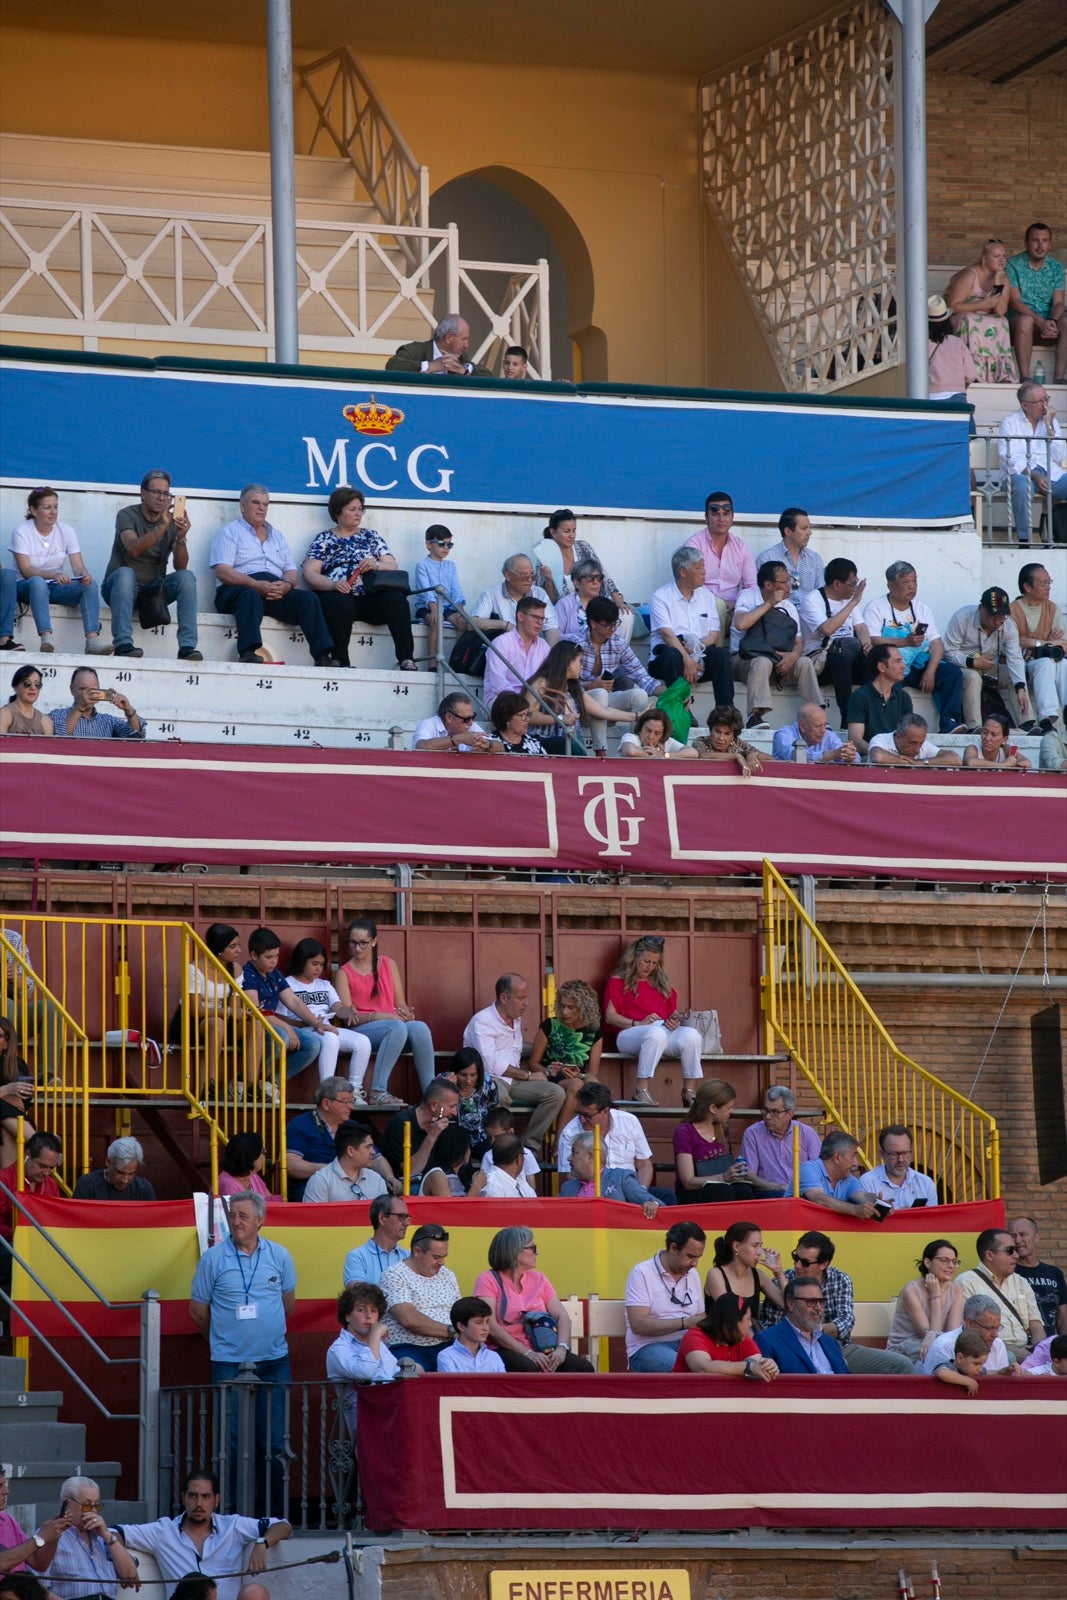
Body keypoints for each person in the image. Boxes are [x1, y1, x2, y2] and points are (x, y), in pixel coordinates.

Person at [188, 1191, 296, 1516]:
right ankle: (230, 1514)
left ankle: (274, 1516)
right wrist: (222, 1340)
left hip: (274, 1360)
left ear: (260, 1221)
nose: (236, 1221)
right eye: (233, 1215)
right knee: (230, 1445)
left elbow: (287, 1303)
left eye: (243, 1216)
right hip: (228, 1362)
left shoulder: (279, 1255)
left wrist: (267, 1329)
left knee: (274, 1443)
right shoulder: (213, 1259)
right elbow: (197, 1311)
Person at [113, 1469, 290, 1600]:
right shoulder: (163, 1531)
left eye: (206, 1497)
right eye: (193, 1496)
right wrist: (122, 1557)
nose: (199, 1503)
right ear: (183, 1498)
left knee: (255, 1592)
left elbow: (283, 1525)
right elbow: (116, 1531)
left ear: (216, 1500)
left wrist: (262, 1542)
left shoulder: (233, 1526)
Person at [210, 485, 336, 666]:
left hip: (274, 591)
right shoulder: (229, 532)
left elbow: (291, 572)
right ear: (242, 505)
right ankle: (248, 652)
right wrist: (254, 584)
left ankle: (323, 656)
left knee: (308, 599)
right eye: (256, 503)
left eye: (265, 504)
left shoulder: (277, 536)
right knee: (250, 595)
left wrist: (286, 586)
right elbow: (222, 571)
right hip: (237, 591)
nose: (261, 508)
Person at [301, 486, 415, 670]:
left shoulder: (371, 536)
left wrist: (375, 564)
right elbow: (310, 572)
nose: (358, 513)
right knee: (337, 602)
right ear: (338, 512)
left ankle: (406, 658)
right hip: (340, 595)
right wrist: (332, 584)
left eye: (360, 509)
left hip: (370, 596)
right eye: (352, 509)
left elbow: (392, 565)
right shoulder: (324, 539)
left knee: (397, 600)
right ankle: (341, 660)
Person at [335, 916, 436, 1105]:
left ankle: (431, 1094)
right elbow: (350, 1019)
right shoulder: (344, 973)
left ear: (374, 941)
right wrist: (378, 1016)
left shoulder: (388, 964)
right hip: (364, 1030)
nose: (357, 948)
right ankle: (377, 1091)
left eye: (363, 943)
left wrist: (406, 1012)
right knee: (396, 1027)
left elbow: (400, 1003)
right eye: (353, 943)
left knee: (420, 1027)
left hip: (394, 1026)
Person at [103, 468, 200, 660]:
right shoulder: (127, 515)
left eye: (165, 493)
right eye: (156, 492)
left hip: (152, 593)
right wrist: (162, 527)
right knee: (125, 574)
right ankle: (123, 644)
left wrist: (181, 537)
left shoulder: (172, 523)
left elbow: (180, 567)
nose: (161, 498)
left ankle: (187, 647)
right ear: (143, 493)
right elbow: (133, 548)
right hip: (118, 589)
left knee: (187, 578)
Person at [462, 975, 566, 1156]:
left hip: (514, 1080)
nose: (525, 1003)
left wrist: (547, 1055)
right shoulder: (482, 1021)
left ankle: (529, 1146)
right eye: (520, 998)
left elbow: (513, 1049)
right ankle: (501, 1150)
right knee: (500, 1095)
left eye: (526, 998)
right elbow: (490, 1063)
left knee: (556, 1093)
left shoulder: (515, 1019)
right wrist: (528, 1075)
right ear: (504, 998)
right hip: (490, 1078)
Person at [473, 1224, 593, 1372]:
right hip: (505, 1348)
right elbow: (490, 1325)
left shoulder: (539, 1279)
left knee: (582, 1368)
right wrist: (527, 1353)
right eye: (533, 1248)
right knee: (528, 1368)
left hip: (543, 1347)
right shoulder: (487, 1279)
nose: (538, 1253)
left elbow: (562, 1316)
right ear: (515, 1252)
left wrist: (561, 1348)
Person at [863, 562, 965, 733]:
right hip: (891, 666)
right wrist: (906, 642)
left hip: (918, 665)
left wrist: (931, 671)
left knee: (952, 674)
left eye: (914, 582)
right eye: (906, 582)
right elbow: (873, 640)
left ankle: (950, 723)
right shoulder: (876, 607)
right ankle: (895, 729)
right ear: (890, 585)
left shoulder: (921, 609)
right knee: (889, 684)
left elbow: (937, 644)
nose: (912, 587)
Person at [603, 935, 704, 1107]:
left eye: (655, 963)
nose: (650, 966)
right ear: (634, 958)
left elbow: (670, 1014)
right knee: (656, 1032)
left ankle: (689, 1092)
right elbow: (610, 1017)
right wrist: (639, 1023)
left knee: (692, 1035)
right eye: (646, 961)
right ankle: (641, 1090)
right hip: (629, 1033)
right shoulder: (618, 982)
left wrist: (675, 1020)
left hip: (661, 1032)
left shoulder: (663, 985)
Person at [9, 487, 111, 656]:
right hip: (26, 586)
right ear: (33, 510)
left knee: (89, 585)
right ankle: (46, 639)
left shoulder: (67, 531)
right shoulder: (22, 531)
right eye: (47, 507)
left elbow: (78, 565)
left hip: (55, 586)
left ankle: (92, 641)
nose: (53, 512)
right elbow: (26, 571)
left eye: (55, 506)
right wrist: (53, 575)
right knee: (37, 582)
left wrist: (83, 574)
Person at [731, 559, 821, 730]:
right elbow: (741, 624)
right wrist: (769, 604)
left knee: (804, 662)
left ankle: (817, 714)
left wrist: (793, 656)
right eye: (785, 582)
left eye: (790, 581)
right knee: (762, 661)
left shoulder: (789, 606)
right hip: (744, 660)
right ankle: (755, 716)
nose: (790, 586)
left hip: (779, 663)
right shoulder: (748, 596)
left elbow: (799, 641)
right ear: (769, 584)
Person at [555, 1081, 673, 1205]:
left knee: (666, 1196)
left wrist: (639, 1192)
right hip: (592, 1194)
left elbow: (644, 1165)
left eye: (587, 1115)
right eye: (578, 1113)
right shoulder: (569, 1132)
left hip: (629, 1188)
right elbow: (569, 1175)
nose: (582, 1120)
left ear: (605, 1111)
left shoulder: (629, 1121)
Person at [281, 938, 372, 1094]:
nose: (319, 969)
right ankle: (327, 1091)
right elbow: (280, 1017)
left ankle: (355, 1091)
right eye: (314, 964)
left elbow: (337, 1007)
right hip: (303, 1029)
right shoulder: (287, 984)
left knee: (362, 1042)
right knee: (330, 1037)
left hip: (326, 1027)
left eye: (322, 965)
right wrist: (306, 1023)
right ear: (302, 961)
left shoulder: (324, 984)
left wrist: (348, 1011)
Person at [648, 546, 734, 707]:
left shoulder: (707, 596)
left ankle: (725, 712)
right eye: (698, 567)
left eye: (703, 566)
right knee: (672, 654)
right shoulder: (661, 597)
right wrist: (686, 659)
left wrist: (694, 650)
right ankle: (682, 710)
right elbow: (667, 635)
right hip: (667, 660)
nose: (703, 572)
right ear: (682, 572)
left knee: (721, 655)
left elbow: (713, 635)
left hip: (698, 654)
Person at [241, 928, 328, 1085]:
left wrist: (316, 1023)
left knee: (313, 1045)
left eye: (276, 956)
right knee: (282, 1037)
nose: (274, 961)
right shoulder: (247, 974)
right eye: (269, 957)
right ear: (254, 955)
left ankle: (272, 1083)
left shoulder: (274, 974)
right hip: (256, 1026)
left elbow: (293, 1001)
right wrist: (287, 1027)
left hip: (274, 1025)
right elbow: (256, 1011)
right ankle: (249, 1077)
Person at [574, 597, 660, 749]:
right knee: (600, 693)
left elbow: (640, 675)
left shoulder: (618, 643)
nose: (613, 629)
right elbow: (564, 684)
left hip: (605, 706)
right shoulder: (574, 643)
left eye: (615, 624)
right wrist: (590, 686)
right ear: (593, 623)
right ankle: (601, 751)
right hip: (578, 707)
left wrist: (672, 693)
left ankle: (636, 748)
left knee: (639, 694)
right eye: (608, 625)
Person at [943, 585, 1031, 731]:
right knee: (973, 677)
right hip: (963, 666)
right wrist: (971, 661)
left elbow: (1015, 658)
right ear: (980, 608)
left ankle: (1027, 723)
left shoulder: (1008, 626)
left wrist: (1020, 687)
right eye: (993, 616)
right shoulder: (962, 618)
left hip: (989, 667)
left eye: (1002, 617)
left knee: (1015, 677)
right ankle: (975, 726)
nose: (998, 622)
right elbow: (948, 651)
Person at [623, 1221, 707, 1372]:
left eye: (698, 1257)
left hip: (689, 1344)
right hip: (647, 1348)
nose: (695, 1263)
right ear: (673, 1248)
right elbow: (639, 1324)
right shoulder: (641, 1272)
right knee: (688, 1369)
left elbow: (700, 1317)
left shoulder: (692, 1274)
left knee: (721, 1366)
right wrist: (685, 1322)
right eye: (690, 1256)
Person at [37, 1475, 140, 1599]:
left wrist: (107, 1535)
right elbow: (38, 1589)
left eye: (96, 1505)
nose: (93, 1511)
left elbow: (129, 1575)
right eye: (86, 1505)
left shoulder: (103, 1537)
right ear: (67, 1504)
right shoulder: (50, 1535)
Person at [530, 511, 632, 631]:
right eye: (566, 531)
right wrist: (548, 579)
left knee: (626, 616)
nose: (572, 535)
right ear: (553, 532)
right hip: (565, 610)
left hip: (593, 603)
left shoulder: (583, 547)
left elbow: (603, 573)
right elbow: (549, 601)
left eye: (574, 530)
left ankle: (615, 649)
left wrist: (618, 600)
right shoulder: (545, 556)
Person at [797, 558, 871, 726]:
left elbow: (861, 628)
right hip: (820, 659)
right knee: (841, 657)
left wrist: (867, 644)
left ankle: (869, 717)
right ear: (837, 584)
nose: (855, 588)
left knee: (874, 660)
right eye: (853, 584)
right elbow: (827, 629)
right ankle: (847, 717)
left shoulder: (848, 598)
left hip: (849, 655)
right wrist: (853, 603)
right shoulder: (813, 600)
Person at [379, 1222, 460, 1370]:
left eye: (444, 1256)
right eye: (436, 1257)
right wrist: (453, 1331)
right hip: (409, 1347)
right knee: (415, 1371)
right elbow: (409, 1320)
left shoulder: (448, 1275)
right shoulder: (394, 1275)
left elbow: (459, 1313)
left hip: (450, 1346)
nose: (442, 1262)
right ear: (417, 1251)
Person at [956, 1228, 1045, 1360]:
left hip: (1027, 1351)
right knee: (1009, 1357)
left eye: (1015, 1250)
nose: (1016, 1255)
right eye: (1010, 1250)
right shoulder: (966, 1282)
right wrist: (1011, 1350)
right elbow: (968, 1332)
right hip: (989, 1352)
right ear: (990, 1255)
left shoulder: (1021, 1282)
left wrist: (1039, 1351)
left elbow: (1036, 1325)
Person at [998, 382, 1066, 545]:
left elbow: (1059, 455)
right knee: (1022, 485)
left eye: (1046, 399)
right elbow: (1009, 458)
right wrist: (1035, 476)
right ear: (1025, 405)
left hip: (1050, 474)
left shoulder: (1051, 422)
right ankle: (1024, 539)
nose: (1045, 406)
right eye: (1039, 402)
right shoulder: (1010, 423)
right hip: (1020, 476)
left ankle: (1061, 536)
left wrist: (1050, 426)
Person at [529, 978, 603, 1126]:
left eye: (571, 1007)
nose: (565, 1012)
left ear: (583, 1007)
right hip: (549, 1078)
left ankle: (599, 1136)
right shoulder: (550, 1025)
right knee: (576, 1085)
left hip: (577, 1079)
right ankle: (559, 1146)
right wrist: (549, 1071)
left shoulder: (594, 1032)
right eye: (562, 1006)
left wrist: (580, 1075)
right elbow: (533, 1063)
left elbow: (592, 1073)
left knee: (591, 1085)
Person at [326, 1283, 399, 1432]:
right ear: (347, 1316)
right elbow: (365, 1372)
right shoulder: (338, 1349)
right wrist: (375, 1336)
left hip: (391, 1416)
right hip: (366, 1426)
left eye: (374, 1311)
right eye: (361, 1310)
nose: (369, 1316)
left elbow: (396, 1375)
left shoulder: (380, 1345)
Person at [285, 1078, 370, 1202]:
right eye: (345, 1102)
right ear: (326, 1104)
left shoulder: (353, 1126)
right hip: (311, 1184)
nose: (351, 1107)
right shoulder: (300, 1124)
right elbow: (291, 1165)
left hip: (353, 1182)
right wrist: (332, 1171)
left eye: (352, 1101)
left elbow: (375, 1157)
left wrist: (390, 1178)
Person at [673, 1079, 757, 1205]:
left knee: (744, 1191)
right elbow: (688, 1181)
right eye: (728, 1107)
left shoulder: (722, 1127)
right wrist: (724, 1177)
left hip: (722, 1183)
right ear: (713, 1108)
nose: (731, 1111)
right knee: (722, 1192)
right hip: (693, 1191)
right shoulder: (685, 1132)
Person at [946, 237, 1017, 382]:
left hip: (985, 320)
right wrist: (980, 305)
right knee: (970, 319)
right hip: (962, 317)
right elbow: (952, 306)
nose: (1002, 260)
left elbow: (1000, 311)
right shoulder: (969, 275)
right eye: (996, 256)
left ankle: (1001, 375)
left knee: (1002, 321)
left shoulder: (1003, 278)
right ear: (984, 258)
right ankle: (971, 372)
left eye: (1004, 256)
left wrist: (998, 283)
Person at [683, 491, 757, 629]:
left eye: (726, 514)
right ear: (706, 517)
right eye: (715, 514)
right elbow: (693, 584)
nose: (721, 519)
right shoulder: (694, 545)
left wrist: (740, 604)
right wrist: (723, 603)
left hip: (735, 609)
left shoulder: (741, 546)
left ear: (732, 517)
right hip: (701, 608)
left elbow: (751, 585)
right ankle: (716, 651)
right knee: (717, 606)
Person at [1006, 221, 1066, 386]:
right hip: (1020, 322)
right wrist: (1040, 321)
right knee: (1026, 321)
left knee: (1066, 322)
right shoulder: (1013, 264)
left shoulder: (1056, 267)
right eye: (1035, 240)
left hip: (1048, 325)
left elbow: (1059, 302)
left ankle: (1059, 378)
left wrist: (1052, 321)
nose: (1040, 245)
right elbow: (1015, 301)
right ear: (1026, 243)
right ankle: (1025, 377)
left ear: (1050, 244)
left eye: (1045, 241)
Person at [1010, 562, 1066, 735]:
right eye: (1043, 583)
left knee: (1063, 664)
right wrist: (1046, 643)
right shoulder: (1013, 611)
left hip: (1044, 663)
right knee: (1045, 663)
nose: (1048, 587)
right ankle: (1047, 718)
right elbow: (1014, 644)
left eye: (1049, 582)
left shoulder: (1052, 608)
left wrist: (1036, 643)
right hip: (1021, 665)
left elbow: (1064, 644)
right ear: (1027, 587)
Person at [888, 1238, 964, 1366]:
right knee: (937, 1351)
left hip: (936, 1346)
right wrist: (935, 1296)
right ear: (928, 1262)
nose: (951, 1266)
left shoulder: (956, 1290)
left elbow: (951, 1335)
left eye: (954, 1262)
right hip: (905, 1349)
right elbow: (929, 1334)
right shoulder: (911, 1290)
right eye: (945, 1260)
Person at [755, 1275, 849, 1375]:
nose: (818, 1308)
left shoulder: (831, 1343)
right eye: (811, 1302)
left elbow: (847, 1380)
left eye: (821, 1302)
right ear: (790, 1304)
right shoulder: (767, 1340)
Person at [673, 1293, 780, 1380]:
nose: (750, 1324)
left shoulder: (742, 1338)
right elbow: (702, 1367)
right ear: (733, 1322)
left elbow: (755, 1364)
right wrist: (748, 1367)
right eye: (747, 1319)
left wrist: (767, 1366)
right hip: (683, 1401)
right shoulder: (695, 1336)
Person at [558, 1131, 663, 1218]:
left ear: (590, 1157)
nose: (569, 1158)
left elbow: (654, 1203)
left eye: (574, 1152)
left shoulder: (620, 1178)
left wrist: (653, 1204)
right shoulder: (567, 1187)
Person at [739, 1086, 821, 1197]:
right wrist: (779, 1188)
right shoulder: (752, 1133)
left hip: (804, 1193)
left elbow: (819, 1172)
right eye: (766, 1110)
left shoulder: (807, 1133)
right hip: (769, 1193)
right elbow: (749, 1176)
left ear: (789, 1114)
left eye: (775, 1112)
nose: (768, 1116)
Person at [379, 1075, 460, 1187]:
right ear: (434, 1105)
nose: (455, 1112)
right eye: (452, 1106)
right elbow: (410, 1172)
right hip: (401, 1189)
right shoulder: (401, 1123)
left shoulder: (444, 1122)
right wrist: (432, 1136)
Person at [702, 1220, 786, 1325]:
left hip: (751, 1338)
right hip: (722, 1339)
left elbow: (788, 1305)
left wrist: (778, 1273)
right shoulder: (716, 1274)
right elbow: (731, 1317)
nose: (760, 1252)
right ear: (736, 1246)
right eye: (755, 1246)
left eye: (760, 1246)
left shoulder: (758, 1275)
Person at [470, 554, 560, 646]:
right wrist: (504, 625)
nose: (529, 580)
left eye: (532, 576)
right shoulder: (491, 594)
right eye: (524, 576)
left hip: (536, 651)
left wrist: (550, 655)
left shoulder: (539, 593)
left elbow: (551, 627)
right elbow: (471, 622)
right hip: (506, 650)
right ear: (508, 575)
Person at [481, 594, 552, 707]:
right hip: (501, 699)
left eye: (542, 619)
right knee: (512, 707)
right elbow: (498, 682)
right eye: (535, 617)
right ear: (521, 616)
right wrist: (521, 702)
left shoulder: (544, 646)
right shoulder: (501, 643)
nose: (540, 623)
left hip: (532, 700)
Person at [918, 1294, 1014, 1376]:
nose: (995, 1335)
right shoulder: (943, 1347)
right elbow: (937, 1387)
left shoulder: (998, 1344)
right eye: (989, 1328)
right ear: (970, 1323)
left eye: (997, 1328)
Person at [845, 643, 914, 758]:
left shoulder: (904, 698)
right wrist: (882, 756)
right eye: (897, 661)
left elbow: (908, 736)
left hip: (898, 762)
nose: (903, 666)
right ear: (881, 667)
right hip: (870, 763)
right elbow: (855, 740)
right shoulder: (860, 696)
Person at [526, 640, 594, 754]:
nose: (582, 666)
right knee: (567, 745)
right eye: (580, 661)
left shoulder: (572, 686)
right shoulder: (542, 682)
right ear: (568, 663)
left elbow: (604, 711)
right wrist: (560, 719)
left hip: (567, 739)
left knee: (577, 746)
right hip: (543, 741)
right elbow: (529, 715)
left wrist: (634, 717)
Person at [793, 1130, 879, 1218]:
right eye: (853, 1156)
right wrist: (855, 1210)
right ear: (837, 1157)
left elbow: (861, 1197)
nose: (855, 1163)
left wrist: (878, 1203)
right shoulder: (809, 1168)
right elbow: (818, 1198)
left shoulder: (848, 1178)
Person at [0, 1469, 67, 1577]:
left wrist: (54, 1534)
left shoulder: (7, 1520)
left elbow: (39, 1564)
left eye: (5, 1484)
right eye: (0, 1486)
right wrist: (40, 1538)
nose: (6, 1491)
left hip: (23, 1592)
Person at [0, 1132, 62, 1248]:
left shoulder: (51, 1185)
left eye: (51, 1168)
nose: (46, 1173)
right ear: (27, 1155)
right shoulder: (4, 1180)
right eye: (42, 1166)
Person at [1009, 1215, 1067, 1338]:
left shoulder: (1054, 1273)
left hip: (1049, 1348)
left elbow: (1062, 1319)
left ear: (1037, 1238)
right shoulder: (1008, 1272)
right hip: (1019, 1345)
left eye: (1023, 1234)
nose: (1018, 1240)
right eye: (1013, 1236)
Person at [302, 1120, 388, 1203]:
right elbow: (313, 1216)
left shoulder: (376, 1179)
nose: (373, 1152)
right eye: (367, 1147)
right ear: (350, 1151)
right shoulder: (321, 1181)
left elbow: (385, 1215)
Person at [856, 1123, 938, 1210]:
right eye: (894, 1154)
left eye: (905, 1153)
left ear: (911, 1152)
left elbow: (933, 1220)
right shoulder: (867, 1183)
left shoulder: (925, 1183)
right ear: (882, 1154)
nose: (901, 1159)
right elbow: (865, 1221)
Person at [49, 666, 144, 739]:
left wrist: (129, 710)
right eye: (83, 688)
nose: (89, 693)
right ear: (72, 689)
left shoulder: (109, 721)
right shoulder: (57, 715)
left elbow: (136, 737)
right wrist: (79, 708)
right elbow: (58, 739)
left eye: (94, 689)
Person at [385, 313, 491, 376]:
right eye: (463, 339)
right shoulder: (418, 349)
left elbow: (488, 376)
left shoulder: (461, 358)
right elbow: (392, 365)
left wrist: (464, 370)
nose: (466, 345)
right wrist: (430, 366)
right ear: (449, 338)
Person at [342, 1194, 411, 1287]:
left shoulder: (410, 1256)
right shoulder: (357, 1257)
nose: (407, 1223)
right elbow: (358, 1296)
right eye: (401, 1216)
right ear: (382, 1218)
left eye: (407, 1217)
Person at [412, 524, 465, 643]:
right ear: (429, 544)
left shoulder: (451, 565)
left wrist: (460, 610)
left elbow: (456, 590)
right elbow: (427, 591)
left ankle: (456, 659)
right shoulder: (422, 565)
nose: (446, 548)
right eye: (441, 543)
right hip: (427, 607)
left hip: (447, 607)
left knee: (463, 622)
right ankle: (433, 661)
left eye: (449, 545)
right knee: (436, 620)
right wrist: (434, 609)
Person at [926, 294, 978, 414]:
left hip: (930, 397)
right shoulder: (957, 342)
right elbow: (971, 375)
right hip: (956, 398)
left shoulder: (921, 344)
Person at [755, 508, 825, 596]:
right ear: (788, 531)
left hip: (809, 608)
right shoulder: (767, 558)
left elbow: (820, 593)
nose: (810, 533)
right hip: (779, 608)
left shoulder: (815, 559)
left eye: (810, 528)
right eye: (804, 529)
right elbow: (762, 594)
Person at [447, 1047, 500, 1158]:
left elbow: (495, 1110)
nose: (468, 1081)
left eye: (473, 1075)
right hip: (452, 1140)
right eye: (463, 1075)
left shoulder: (488, 1084)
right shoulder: (442, 1082)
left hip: (481, 1138)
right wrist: (447, 1089)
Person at [413, 690, 500, 755]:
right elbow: (421, 746)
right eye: (466, 719)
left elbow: (500, 747)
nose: (470, 722)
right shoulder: (429, 724)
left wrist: (488, 745)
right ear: (449, 717)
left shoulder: (471, 725)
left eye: (472, 717)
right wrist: (459, 739)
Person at [71, 1136, 156, 1201]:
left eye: (131, 1174)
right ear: (108, 1162)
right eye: (120, 1172)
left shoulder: (143, 1188)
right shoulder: (87, 1184)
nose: (125, 1180)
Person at [437, 1296, 507, 1373]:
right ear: (461, 1326)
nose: (486, 1328)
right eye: (479, 1322)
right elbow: (453, 1385)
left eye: (487, 1321)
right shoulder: (447, 1356)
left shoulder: (493, 1357)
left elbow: (501, 1384)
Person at [771, 702, 858, 765]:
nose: (823, 730)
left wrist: (849, 755)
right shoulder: (784, 735)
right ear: (802, 726)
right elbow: (796, 758)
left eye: (825, 724)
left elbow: (856, 759)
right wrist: (832, 754)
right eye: (818, 726)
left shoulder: (828, 735)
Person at [868, 713, 962, 768]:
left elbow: (956, 760)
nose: (917, 749)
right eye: (912, 743)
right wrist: (907, 763)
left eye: (921, 743)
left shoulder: (921, 744)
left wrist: (922, 762)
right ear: (898, 737)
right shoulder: (881, 739)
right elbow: (878, 756)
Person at [691, 704, 762, 776]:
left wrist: (753, 755)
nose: (721, 738)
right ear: (710, 730)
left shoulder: (737, 743)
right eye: (717, 732)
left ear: (733, 736)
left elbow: (770, 758)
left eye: (727, 734)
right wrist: (737, 756)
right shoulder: (701, 741)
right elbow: (702, 755)